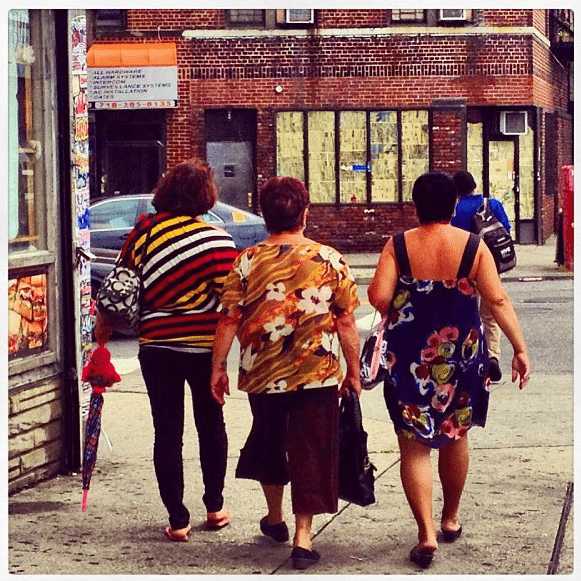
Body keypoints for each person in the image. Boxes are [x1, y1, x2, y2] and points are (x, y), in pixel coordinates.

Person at [368, 172, 530, 569]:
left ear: (415, 206)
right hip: (461, 360)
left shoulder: (398, 245)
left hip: (409, 362)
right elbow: (498, 299)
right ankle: (450, 518)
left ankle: (425, 534)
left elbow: (379, 298)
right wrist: (519, 349)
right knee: (456, 438)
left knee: (415, 447)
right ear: (455, 206)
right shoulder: (472, 246)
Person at [210, 176, 361, 571]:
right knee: (311, 448)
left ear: (265, 216)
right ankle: (303, 536)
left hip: (263, 371)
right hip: (318, 371)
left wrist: (217, 368)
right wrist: (354, 371)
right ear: (305, 214)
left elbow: (228, 319)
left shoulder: (246, 260)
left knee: (270, 439)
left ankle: (274, 517)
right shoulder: (329, 259)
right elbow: (346, 321)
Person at [95, 158, 238, 542]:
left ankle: (177, 519)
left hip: (157, 346)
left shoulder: (144, 232)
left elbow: (122, 283)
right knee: (212, 426)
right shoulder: (219, 241)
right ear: (206, 196)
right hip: (204, 348)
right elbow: (229, 304)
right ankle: (215, 506)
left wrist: (104, 331)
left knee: (167, 431)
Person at [451, 170, 512, 382]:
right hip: (491, 268)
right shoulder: (492, 204)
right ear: (474, 185)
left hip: (463, 270)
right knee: (490, 315)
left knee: (464, 316)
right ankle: (493, 357)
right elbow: (506, 229)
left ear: (455, 190)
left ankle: (467, 360)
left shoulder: (455, 209)